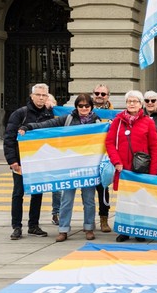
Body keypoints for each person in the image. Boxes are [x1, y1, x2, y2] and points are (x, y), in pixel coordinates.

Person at [20, 93, 100, 242]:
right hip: (69, 167)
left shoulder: (97, 122)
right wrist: (29, 126)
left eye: (87, 106)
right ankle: (63, 229)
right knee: (66, 200)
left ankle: (89, 227)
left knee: (89, 199)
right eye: (80, 105)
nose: (84, 108)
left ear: (91, 107)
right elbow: (47, 125)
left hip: (88, 167)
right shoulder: (68, 119)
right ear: (76, 106)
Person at [105, 90, 157, 242]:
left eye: (135, 101)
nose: (131, 104)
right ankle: (124, 230)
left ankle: (140, 230)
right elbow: (109, 143)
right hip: (123, 169)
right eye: (129, 101)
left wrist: (153, 172)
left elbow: (154, 148)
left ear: (140, 104)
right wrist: (116, 162)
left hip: (141, 169)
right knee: (125, 201)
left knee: (140, 200)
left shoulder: (148, 122)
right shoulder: (117, 121)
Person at [3, 83, 53, 240]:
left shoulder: (49, 115)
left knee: (37, 193)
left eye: (44, 95)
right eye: (38, 95)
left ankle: (33, 225)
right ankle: (16, 227)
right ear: (31, 96)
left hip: (39, 161)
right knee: (18, 193)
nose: (41, 98)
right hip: (21, 161)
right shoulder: (20, 114)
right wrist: (12, 161)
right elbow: (9, 138)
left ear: (47, 97)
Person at [92, 83, 114, 233]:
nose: (100, 96)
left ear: (108, 96)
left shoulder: (114, 114)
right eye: (97, 93)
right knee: (87, 190)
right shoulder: (85, 109)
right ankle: (88, 221)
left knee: (103, 188)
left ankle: (104, 219)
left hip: (105, 156)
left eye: (103, 94)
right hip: (88, 155)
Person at [45, 94, 63, 226]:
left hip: (63, 154)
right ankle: (56, 213)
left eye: (49, 100)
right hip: (50, 155)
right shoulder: (43, 114)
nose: (47, 102)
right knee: (57, 187)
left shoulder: (61, 115)